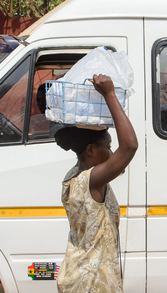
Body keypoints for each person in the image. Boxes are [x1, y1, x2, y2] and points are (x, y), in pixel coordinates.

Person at [54, 74, 138, 293]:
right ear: (91, 150)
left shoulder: (76, 175)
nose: (112, 153)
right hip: (89, 285)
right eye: (108, 147)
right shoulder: (90, 181)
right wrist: (109, 94)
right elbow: (129, 147)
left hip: (83, 279)